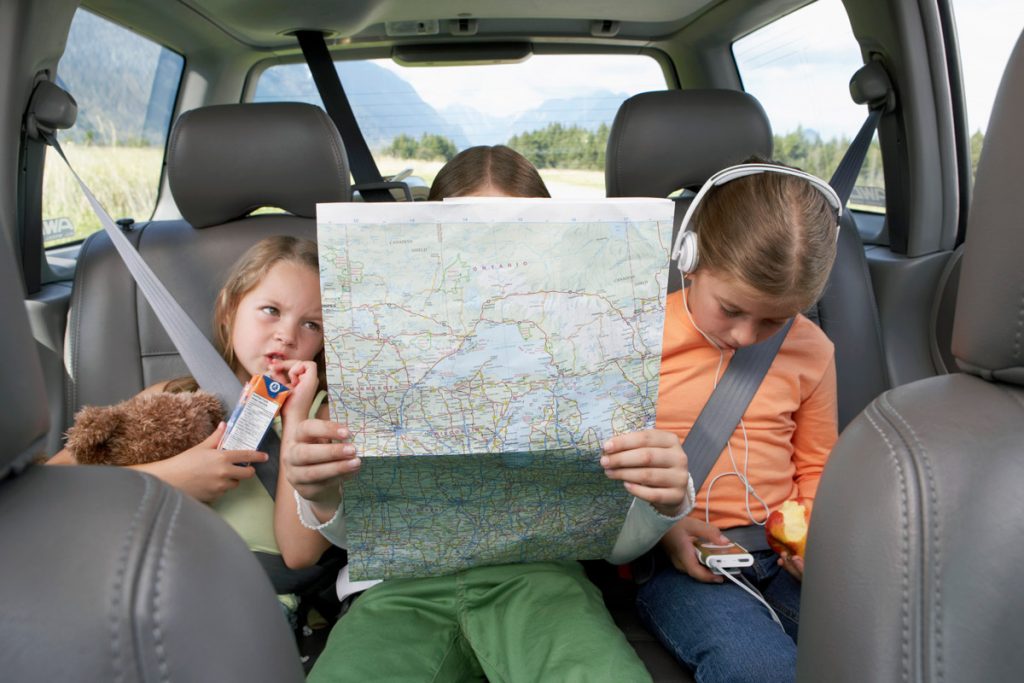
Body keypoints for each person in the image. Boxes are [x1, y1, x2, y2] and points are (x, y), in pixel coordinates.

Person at [279, 145, 693, 682]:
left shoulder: (596, 365)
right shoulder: (376, 362)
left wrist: (664, 500)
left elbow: (616, 541)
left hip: (544, 583)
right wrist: (321, 493)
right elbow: (351, 538)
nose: (495, 275)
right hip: (393, 592)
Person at [633, 161, 841, 683]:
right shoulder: (637, 341)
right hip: (678, 554)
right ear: (690, 257)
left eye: (774, 320)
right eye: (730, 309)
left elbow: (819, 467)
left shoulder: (812, 350)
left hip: (782, 551)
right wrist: (666, 530)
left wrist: (815, 538)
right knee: (758, 669)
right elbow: (606, 471)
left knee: (875, 649)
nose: (747, 337)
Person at [50, 235, 334, 601]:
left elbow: (299, 555)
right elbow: (52, 484)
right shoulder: (171, 397)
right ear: (230, 309)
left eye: (312, 324)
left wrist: (295, 416)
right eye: (271, 310)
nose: (287, 335)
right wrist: (171, 477)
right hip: (139, 585)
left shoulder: (319, 417)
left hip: (246, 600)